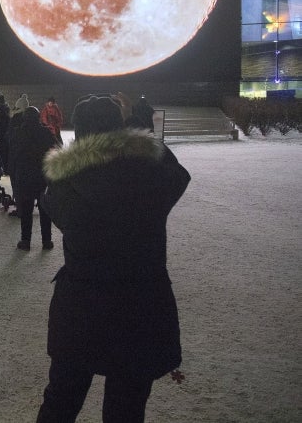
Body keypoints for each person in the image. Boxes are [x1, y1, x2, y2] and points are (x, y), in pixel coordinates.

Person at [36, 94, 190, 423]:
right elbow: (177, 172)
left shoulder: (64, 184)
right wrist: (138, 133)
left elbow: (48, 202)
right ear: (122, 131)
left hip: (81, 309)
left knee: (61, 401)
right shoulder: (151, 177)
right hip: (141, 308)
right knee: (127, 409)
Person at [10, 106, 58, 250]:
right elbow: (56, 149)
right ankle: (47, 241)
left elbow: (12, 154)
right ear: (38, 118)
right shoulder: (46, 132)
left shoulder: (17, 133)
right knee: (45, 210)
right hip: (43, 175)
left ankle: (25, 241)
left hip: (24, 176)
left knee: (26, 211)